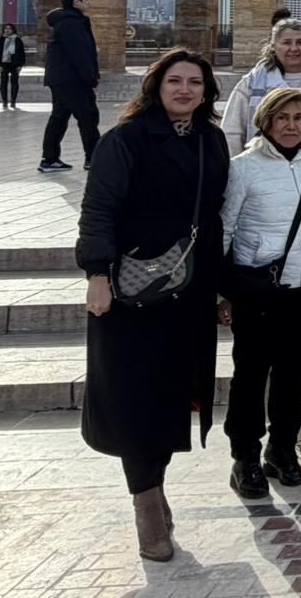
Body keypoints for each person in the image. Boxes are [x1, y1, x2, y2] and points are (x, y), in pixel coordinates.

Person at [77, 49, 230, 562]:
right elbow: (98, 209)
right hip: (131, 291)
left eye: (195, 83)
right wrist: (97, 275)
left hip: (189, 290)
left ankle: (155, 488)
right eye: (174, 81)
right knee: (134, 398)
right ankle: (146, 505)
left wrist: (221, 287)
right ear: (156, 86)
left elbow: (214, 217)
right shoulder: (125, 140)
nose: (184, 90)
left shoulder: (211, 140)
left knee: (170, 396)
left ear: (207, 91)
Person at [220, 88, 301, 497]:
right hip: (258, 288)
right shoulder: (243, 168)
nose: (291, 126)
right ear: (266, 121)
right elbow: (224, 229)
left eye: (299, 118)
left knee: (293, 374)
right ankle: (245, 455)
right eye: (283, 118)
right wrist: (222, 292)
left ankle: (282, 448)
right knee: (251, 376)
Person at [222, 19, 301, 155]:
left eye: (300, 42)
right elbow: (232, 131)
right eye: (287, 42)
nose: (294, 48)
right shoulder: (251, 82)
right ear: (274, 47)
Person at [40, 0, 102, 173]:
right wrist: (90, 76)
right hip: (71, 79)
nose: (89, 3)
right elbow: (79, 53)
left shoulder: (69, 21)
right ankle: (94, 158)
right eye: (86, 0)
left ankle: (50, 159)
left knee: (60, 116)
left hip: (62, 78)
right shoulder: (71, 23)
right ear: (76, 2)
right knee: (88, 116)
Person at [0, 22, 26, 109]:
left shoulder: (17, 40)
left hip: (15, 65)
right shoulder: (0, 40)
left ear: (13, 30)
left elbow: (22, 53)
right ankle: (4, 101)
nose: (7, 30)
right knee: (3, 84)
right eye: (6, 29)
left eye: (9, 29)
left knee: (15, 84)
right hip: (3, 64)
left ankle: (13, 101)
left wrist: (20, 65)